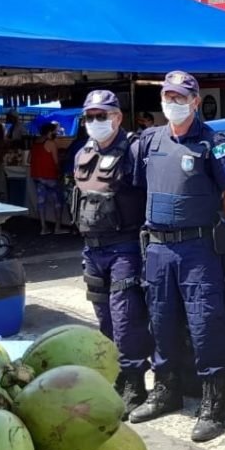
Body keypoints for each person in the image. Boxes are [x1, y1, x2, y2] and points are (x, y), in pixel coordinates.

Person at [130, 71, 225, 442]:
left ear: (196, 101)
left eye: (181, 97)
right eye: (168, 96)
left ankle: (214, 406)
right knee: (160, 322)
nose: (173, 103)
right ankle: (166, 391)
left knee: (204, 324)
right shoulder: (150, 141)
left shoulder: (212, 143)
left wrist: (204, 226)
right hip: (158, 249)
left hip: (197, 248)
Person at [72, 90, 153, 416]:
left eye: (101, 116)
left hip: (125, 248)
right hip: (92, 249)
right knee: (103, 318)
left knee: (125, 318)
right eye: (90, 116)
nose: (95, 122)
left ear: (117, 117)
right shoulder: (83, 152)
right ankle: (116, 376)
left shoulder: (133, 151)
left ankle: (135, 382)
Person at [29, 121, 67, 235]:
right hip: (49, 176)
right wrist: (60, 171)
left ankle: (43, 228)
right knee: (58, 201)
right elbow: (56, 162)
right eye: (55, 131)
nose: (56, 133)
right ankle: (58, 228)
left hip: (37, 176)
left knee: (41, 201)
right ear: (50, 132)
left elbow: (28, 160)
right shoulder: (51, 143)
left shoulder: (35, 143)